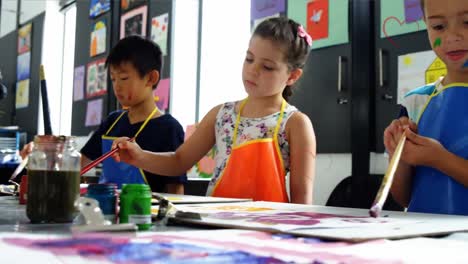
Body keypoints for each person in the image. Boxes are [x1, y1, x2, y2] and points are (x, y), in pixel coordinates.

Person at [112, 17, 316, 204]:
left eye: (268, 67)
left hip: (269, 231)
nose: (253, 70)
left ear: (292, 76)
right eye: (249, 59)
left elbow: (302, 201)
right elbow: (179, 161)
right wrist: (139, 156)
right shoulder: (222, 114)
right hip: (218, 225)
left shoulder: (295, 123)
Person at [21, 36, 187, 194]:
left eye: (123, 78)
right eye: (113, 79)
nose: (117, 87)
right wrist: (43, 155)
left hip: (143, 216)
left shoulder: (169, 128)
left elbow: (176, 190)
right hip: (104, 210)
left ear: (151, 78)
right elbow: (77, 164)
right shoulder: (113, 122)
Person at [385, 0, 468, 215]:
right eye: (439, 27)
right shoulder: (415, 103)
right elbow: (403, 197)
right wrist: (399, 157)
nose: (452, 37)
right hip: (425, 242)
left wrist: (440, 159)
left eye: (467, 22)